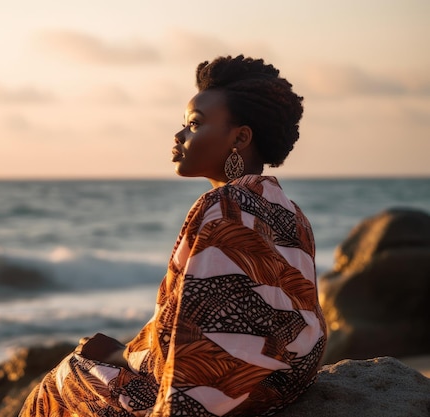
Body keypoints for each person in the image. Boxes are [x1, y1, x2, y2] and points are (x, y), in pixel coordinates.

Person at [19, 55, 326, 417]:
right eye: (183, 124)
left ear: (240, 137)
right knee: (96, 355)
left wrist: (117, 359)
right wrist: (124, 352)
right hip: (280, 387)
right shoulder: (290, 211)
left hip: (226, 397)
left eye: (195, 125)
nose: (180, 135)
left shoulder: (225, 206)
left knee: (62, 381)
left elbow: (203, 356)